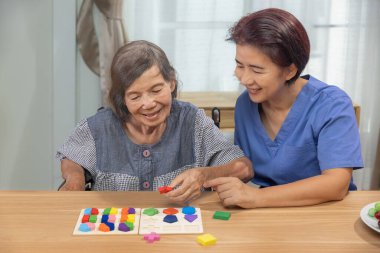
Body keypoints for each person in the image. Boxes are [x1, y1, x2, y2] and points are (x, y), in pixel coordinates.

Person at [57, 40, 252, 203]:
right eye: (135, 96)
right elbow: (73, 158)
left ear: (171, 82)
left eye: (156, 90)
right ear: (121, 99)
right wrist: (75, 179)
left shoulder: (193, 122)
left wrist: (204, 175)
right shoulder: (98, 127)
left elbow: (243, 168)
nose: (148, 104)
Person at [204, 8, 363, 208]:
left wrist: (256, 197)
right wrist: (205, 175)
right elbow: (247, 166)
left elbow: (336, 184)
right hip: (270, 214)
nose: (244, 79)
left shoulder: (332, 105)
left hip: (326, 214)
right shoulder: (245, 105)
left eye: (256, 69)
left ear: (290, 71)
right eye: (239, 65)